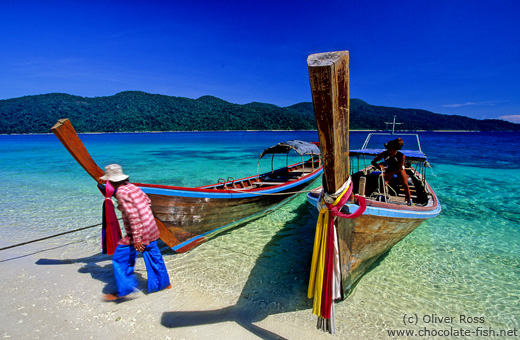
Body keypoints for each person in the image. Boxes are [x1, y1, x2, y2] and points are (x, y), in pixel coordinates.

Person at [100, 164, 171, 301]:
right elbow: (148, 202)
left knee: (120, 257)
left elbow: (133, 217)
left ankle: (125, 289)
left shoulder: (121, 192)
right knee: (154, 256)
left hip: (139, 233)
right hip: (151, 227)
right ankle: (163, 284)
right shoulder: (133, 187)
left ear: (110, 181)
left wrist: (138, 238)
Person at [370, 138, 413, 205]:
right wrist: (379, 167)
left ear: (396, 150)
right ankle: (383, 196)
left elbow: (398, 168)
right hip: (390, 168)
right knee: (384, 183)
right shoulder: (384, 154)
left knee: (405, 184)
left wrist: (387, 174)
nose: (392, 152)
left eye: (394, 150)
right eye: (390, 150)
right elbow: (373, 162)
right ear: (388, 149)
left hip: (399, 169)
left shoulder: (401, 156)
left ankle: (409, 200)